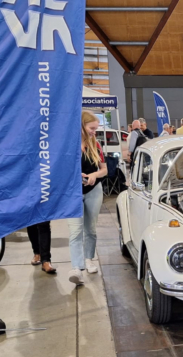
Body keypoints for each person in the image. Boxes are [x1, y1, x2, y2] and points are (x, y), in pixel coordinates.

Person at [68, 111, 107, 285]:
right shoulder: (68, 144)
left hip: (94, 191)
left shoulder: (96, 145)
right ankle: (77, 267)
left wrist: (93, 175)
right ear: (82, 125)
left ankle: (89, 259)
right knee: (75, 231)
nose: (94, 132)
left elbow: (104, 170)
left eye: (96, 128)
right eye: (92, 128)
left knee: (90, 229)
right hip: (72, 193)